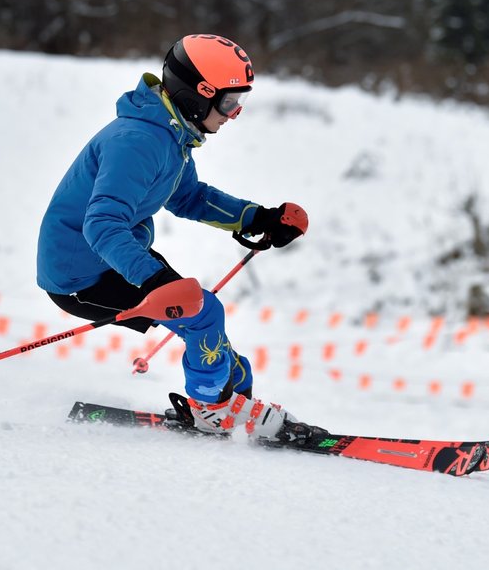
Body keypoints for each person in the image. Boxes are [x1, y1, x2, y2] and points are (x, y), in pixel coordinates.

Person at [37, 34, 307, 439]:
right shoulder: (139, 141)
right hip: (80, 275)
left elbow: (188, 197)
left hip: (117, 257)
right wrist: (156, 280)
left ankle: (233, 400)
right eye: (230, 102)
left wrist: (258, 218)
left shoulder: (170, 135)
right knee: (204, 313)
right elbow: (102, 223)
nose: (233, 114)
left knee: (224, 353)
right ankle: (211, 410)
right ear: (199, 95)